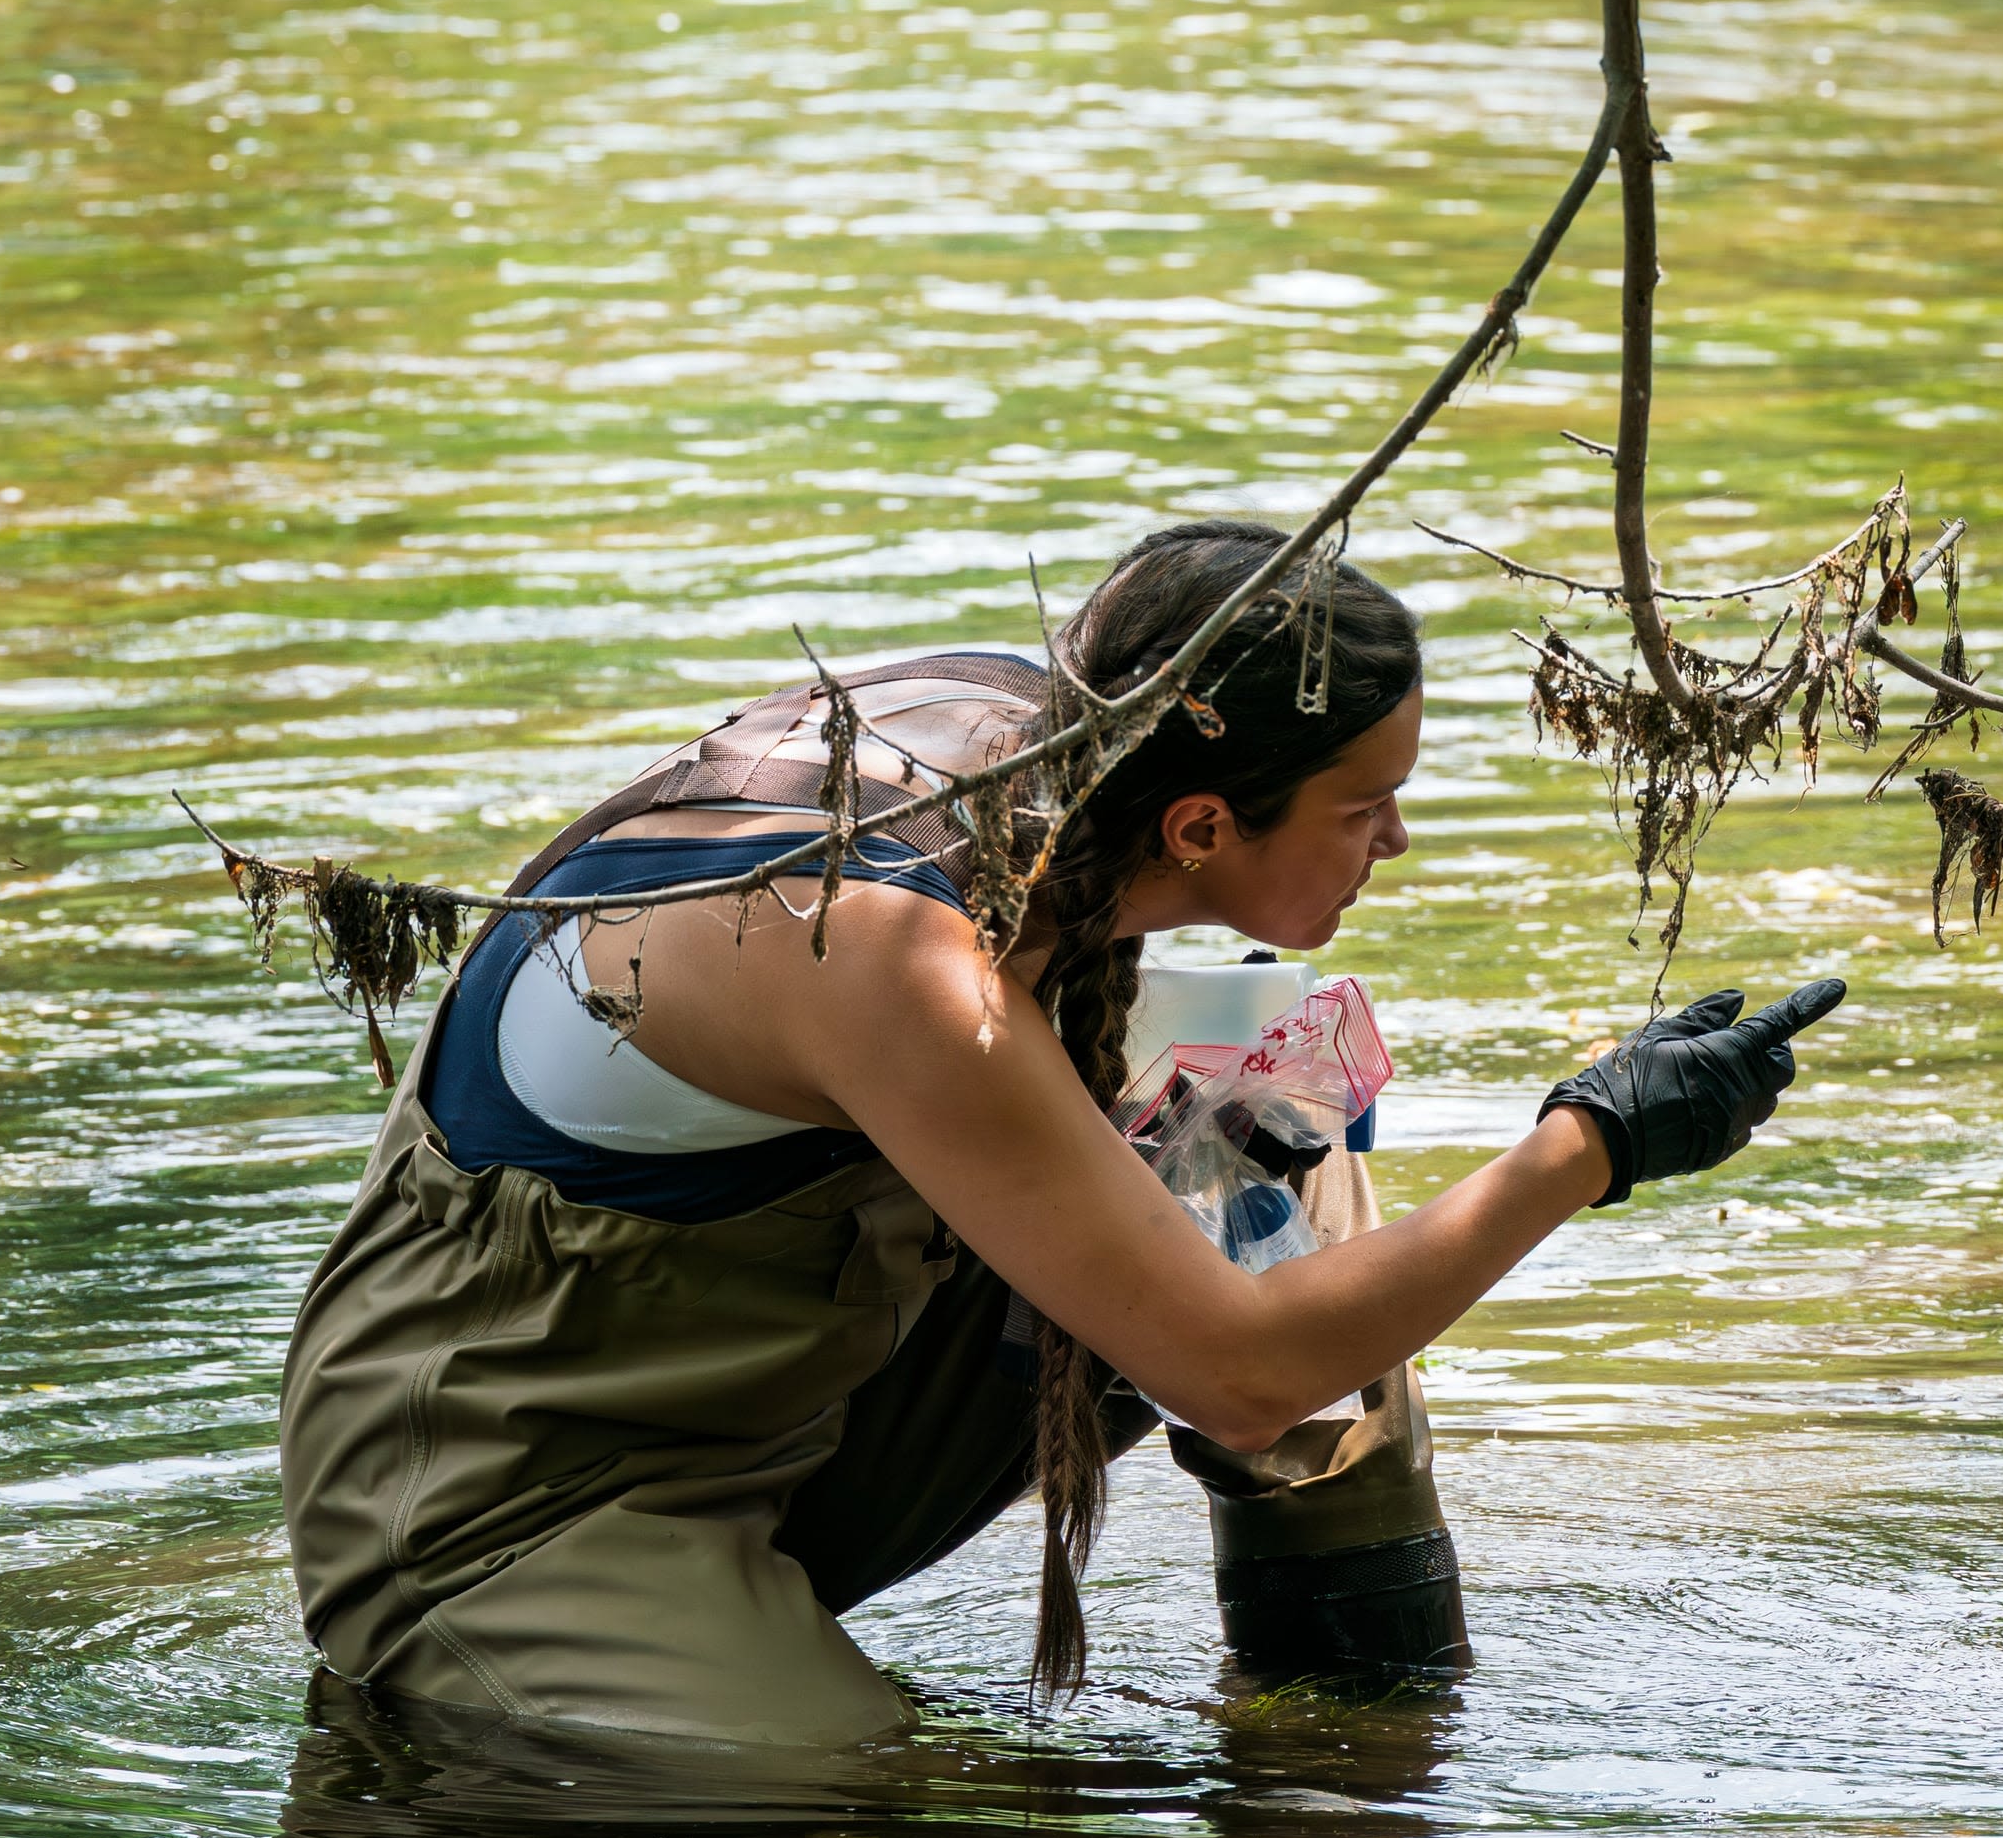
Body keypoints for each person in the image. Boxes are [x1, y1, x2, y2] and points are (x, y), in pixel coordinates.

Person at [278, 519, 1840, 1749]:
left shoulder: (1065, 754)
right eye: (1367, 807)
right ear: (1204, 825)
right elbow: (1233, 1367)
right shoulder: (895, 949)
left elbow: (1239, 1286)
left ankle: (1361, 1741)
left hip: (784, 1396)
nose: (1399, 841)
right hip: (515, 1500)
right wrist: (1591, 1142)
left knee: (1280, 1147)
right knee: (857, 1823)